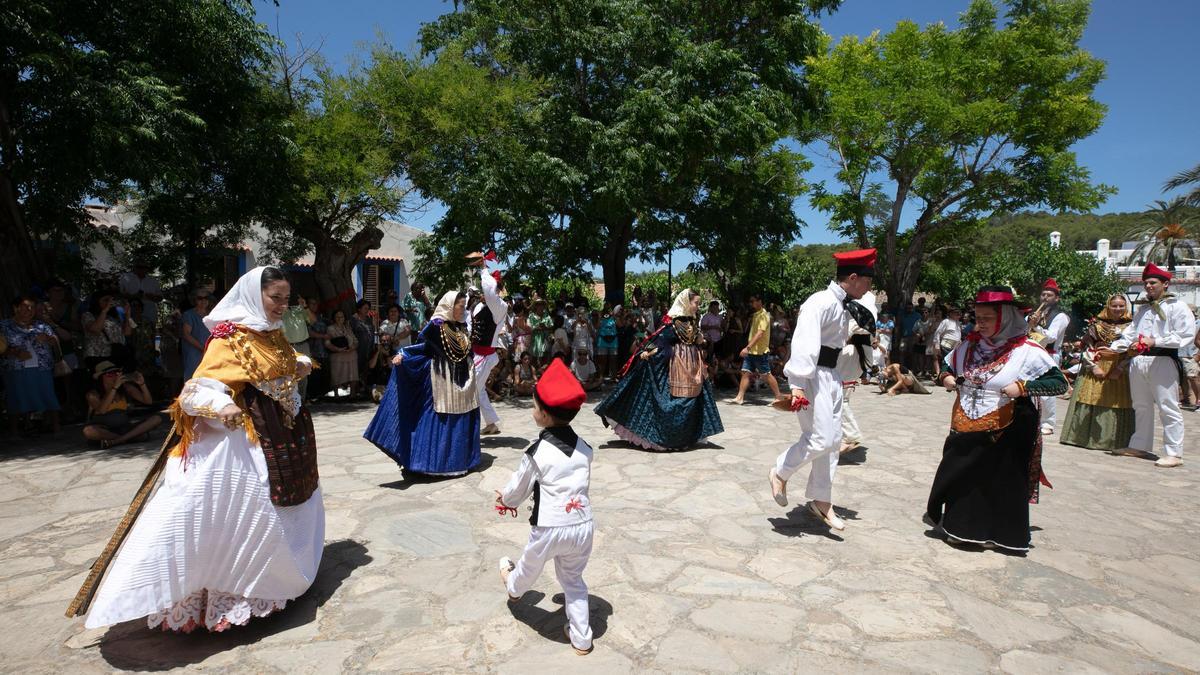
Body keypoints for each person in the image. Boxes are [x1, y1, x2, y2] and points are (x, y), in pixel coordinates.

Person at [82, 266, 323, 632]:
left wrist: (299, 364)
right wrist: (222, 405)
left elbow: (283, 364)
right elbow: (198, 388)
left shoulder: (271, 333)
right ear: (253, 295)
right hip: (245, 439)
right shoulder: (229, 338)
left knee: (290, 505)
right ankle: (229, 596)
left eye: (285, 299)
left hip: (284, 433)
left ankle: (281, 580)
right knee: (244, 510)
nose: (281, 305)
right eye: (275, 298)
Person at [925, 286, 1067, 552]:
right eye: (978, 317)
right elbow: (947, 365)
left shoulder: (1027, 351)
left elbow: (1058, 383)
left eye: (987, 318)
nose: (981, 323)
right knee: (965, 477)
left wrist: (1023, 387)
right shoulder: (969, 346)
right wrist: (946, 377)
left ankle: (1001, 535)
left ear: (1006, 318)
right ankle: (962, 529)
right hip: (967, 422)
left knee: (1000, 480)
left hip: (1009, 427)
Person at [767, 249, 877, 532]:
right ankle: (780, 471)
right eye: (867, 281)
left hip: (831, 375)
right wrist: (797, 385)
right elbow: (804, 343)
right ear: (853, 277)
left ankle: (821, 501)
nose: (868, 288)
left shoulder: (843, 305)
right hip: (813, 376)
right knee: (821, 439)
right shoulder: (820, 302)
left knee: (833, 441)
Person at [496, 359, 595, 656]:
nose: (533, 409)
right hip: (583, 526)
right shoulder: (585, 449)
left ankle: (514, 588)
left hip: (550, 527)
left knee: (529, 566)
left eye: (534, 405)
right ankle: (582, 639)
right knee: (573, 580)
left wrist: (505, 500)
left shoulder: (536, 453)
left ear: (544, 414)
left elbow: (519, 488)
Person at [364, 290, 481, 476]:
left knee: (461, 418)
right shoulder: (436, 326)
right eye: (461, 306)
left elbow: (466, 351)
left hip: (463, 381)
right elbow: (423, 348)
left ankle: (461, 461)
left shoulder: (461, 327)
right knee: (440, 418)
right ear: (450, 306)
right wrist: (403, 355)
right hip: (442, 380)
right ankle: (434, 464)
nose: (463, 309)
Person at [594, 289, 723, 451]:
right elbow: (659, 340)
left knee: (693, 400)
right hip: (675, 367)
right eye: (696, 303)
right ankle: (667, 438)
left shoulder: (690, 322)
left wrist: (702, 341)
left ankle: (685, 437)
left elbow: (697, 340)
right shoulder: (673, 323)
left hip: (692, 368)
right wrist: (647, 352)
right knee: (672, 401)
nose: (698, 306)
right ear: (686, 303)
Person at [1107, 264, 1197, 467]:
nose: (1148, 286)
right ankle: (1139, 445)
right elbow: (1130, 334)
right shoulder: (1143, 309)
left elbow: (1185, 335)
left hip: (1163, 360)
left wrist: (1155, 341)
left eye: (1152, 282)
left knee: (1168, 406)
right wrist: (1113, 349)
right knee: (1140, 405)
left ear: (1165, 284)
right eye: (1146, 283)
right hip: (1139, 360)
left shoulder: (1177, 307)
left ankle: (1174, 453)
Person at [1059, 294, 1134, 451]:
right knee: (1089, 397)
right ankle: (1083, 437)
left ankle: (1111, 441)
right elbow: (1087, 348)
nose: (1118, 309)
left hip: (1119, 368)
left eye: (1121, 306)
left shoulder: (1132, 326)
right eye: (1114, 305)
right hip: (1095, 365)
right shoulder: (1096, 326)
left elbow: (1132, 352)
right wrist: (1093, 367)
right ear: (1108, 306)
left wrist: (1120, 368)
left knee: (1115, 400)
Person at [1, 294, 61, 434]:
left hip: (42, 367)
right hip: (15, 368)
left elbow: (54, 340)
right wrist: (13, 352)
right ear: (16, 308)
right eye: (25, 306)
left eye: (32, 307)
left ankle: (56, 428)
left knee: (48, 395)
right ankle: (14, 432)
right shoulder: (4, 326)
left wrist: (48, 338)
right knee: (16, 397)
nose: (29, 310)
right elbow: (1, 348)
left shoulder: (41, 325)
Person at [469, 258, 508, 436]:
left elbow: (491, 294)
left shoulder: (500, 307)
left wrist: (483, 268)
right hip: (476, 355)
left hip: (485, 357)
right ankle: (491, 423)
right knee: (479, 390)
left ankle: (467, 429)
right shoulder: (479, 306)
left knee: (471, 390)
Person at [82, 361, 163, 447]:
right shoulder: (93, 394)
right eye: (110, 374)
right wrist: (114, 388)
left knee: (156, 419)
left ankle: (117, 441)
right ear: (101, 377)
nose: (115, 376)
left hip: (124, 427)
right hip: (105, 429)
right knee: (88, 431)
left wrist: (142, 384)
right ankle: (130, 437)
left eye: (116, 373)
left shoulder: (126, 387)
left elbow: (148, 401)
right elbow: (102, 410)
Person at [836, 293, 877, 454]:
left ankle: (850, 436)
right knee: (841, 398)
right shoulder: (867, 308)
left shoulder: (859, 307)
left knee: (840, 399)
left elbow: (849, 331)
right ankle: (844, 435)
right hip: (860, 354)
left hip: (854, 354)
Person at [1029, 279, 1071, 435]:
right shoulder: (1035, 313)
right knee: (1030, 387)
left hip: (1049, 355)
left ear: (1057, 298)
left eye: (1049, 295)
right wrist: (1029, 323)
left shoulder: (1061, 316)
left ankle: (1048, 423)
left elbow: (1052, 337)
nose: (1045, 297)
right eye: (1043, 294)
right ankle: (1033, 420)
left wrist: (1035, 326)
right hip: (1032, 353)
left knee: (1047, 390)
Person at [729, 294, 784, 405]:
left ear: (760, 301)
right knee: (745, 372)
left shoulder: (764, 315)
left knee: (766, 375)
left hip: (760, 352)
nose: (751, 303)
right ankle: (739, 397)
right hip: (751, 351)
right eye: (750, 301)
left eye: (753, 301)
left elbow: (760, 334)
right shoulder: (756, 315)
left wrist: (747, 347)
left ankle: (778, 396)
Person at [81, 291, 134, 369]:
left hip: (116, 354)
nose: (109, 302)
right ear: (96, 301)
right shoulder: (88, 315)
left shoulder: (114, 317)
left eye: (111, 300)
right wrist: (105, 310)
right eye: (106, 300)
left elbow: (127, 333)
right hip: (98, 356)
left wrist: (128, 315)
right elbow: (95, 329)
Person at [325, 309, 359, 400]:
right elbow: (327, 343)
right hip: (337, 355)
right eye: (337, 317)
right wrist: (338, 349)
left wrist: (353, 347)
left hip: (351, 354)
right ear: (334, 318)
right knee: (336, 374)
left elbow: (355, 341)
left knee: (353, 374)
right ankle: (336, 395)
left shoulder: (348, 328)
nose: (340, 318)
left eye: (342, 317)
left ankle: (352, 394)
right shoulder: (330, 329)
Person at [181, 290, 213, 381]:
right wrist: (202, 348)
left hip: (209, 353)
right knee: (193, 381)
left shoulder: (212, 314)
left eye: (206, 298)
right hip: (194, 355)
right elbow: (186, 335)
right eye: (200, 298)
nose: (203, 300)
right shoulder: (189, 315)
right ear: (194, 300)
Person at [596, 304, 618, 380]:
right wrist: (599, 317)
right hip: (602, 340)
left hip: (613, 341)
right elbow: (597, 327)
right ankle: (600, 377)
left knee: (613, 359)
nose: (607, 311)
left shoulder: (614, 317)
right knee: (602, 360)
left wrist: (614, 315)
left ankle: (614, 377)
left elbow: (620, 324)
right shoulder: (601, 318)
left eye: (609, 309)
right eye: (606, 309)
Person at [529, 299, 553, 368]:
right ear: (535, 306)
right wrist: (536, 327)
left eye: (541, 304)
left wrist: (545, 327)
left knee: (546, 358)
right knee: (535, 360)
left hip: (545, 339)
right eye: (538, 304)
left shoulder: (547, 315)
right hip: (535, 339)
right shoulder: (531, 316)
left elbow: (552, 326)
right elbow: (529, 328)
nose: (540, 306)